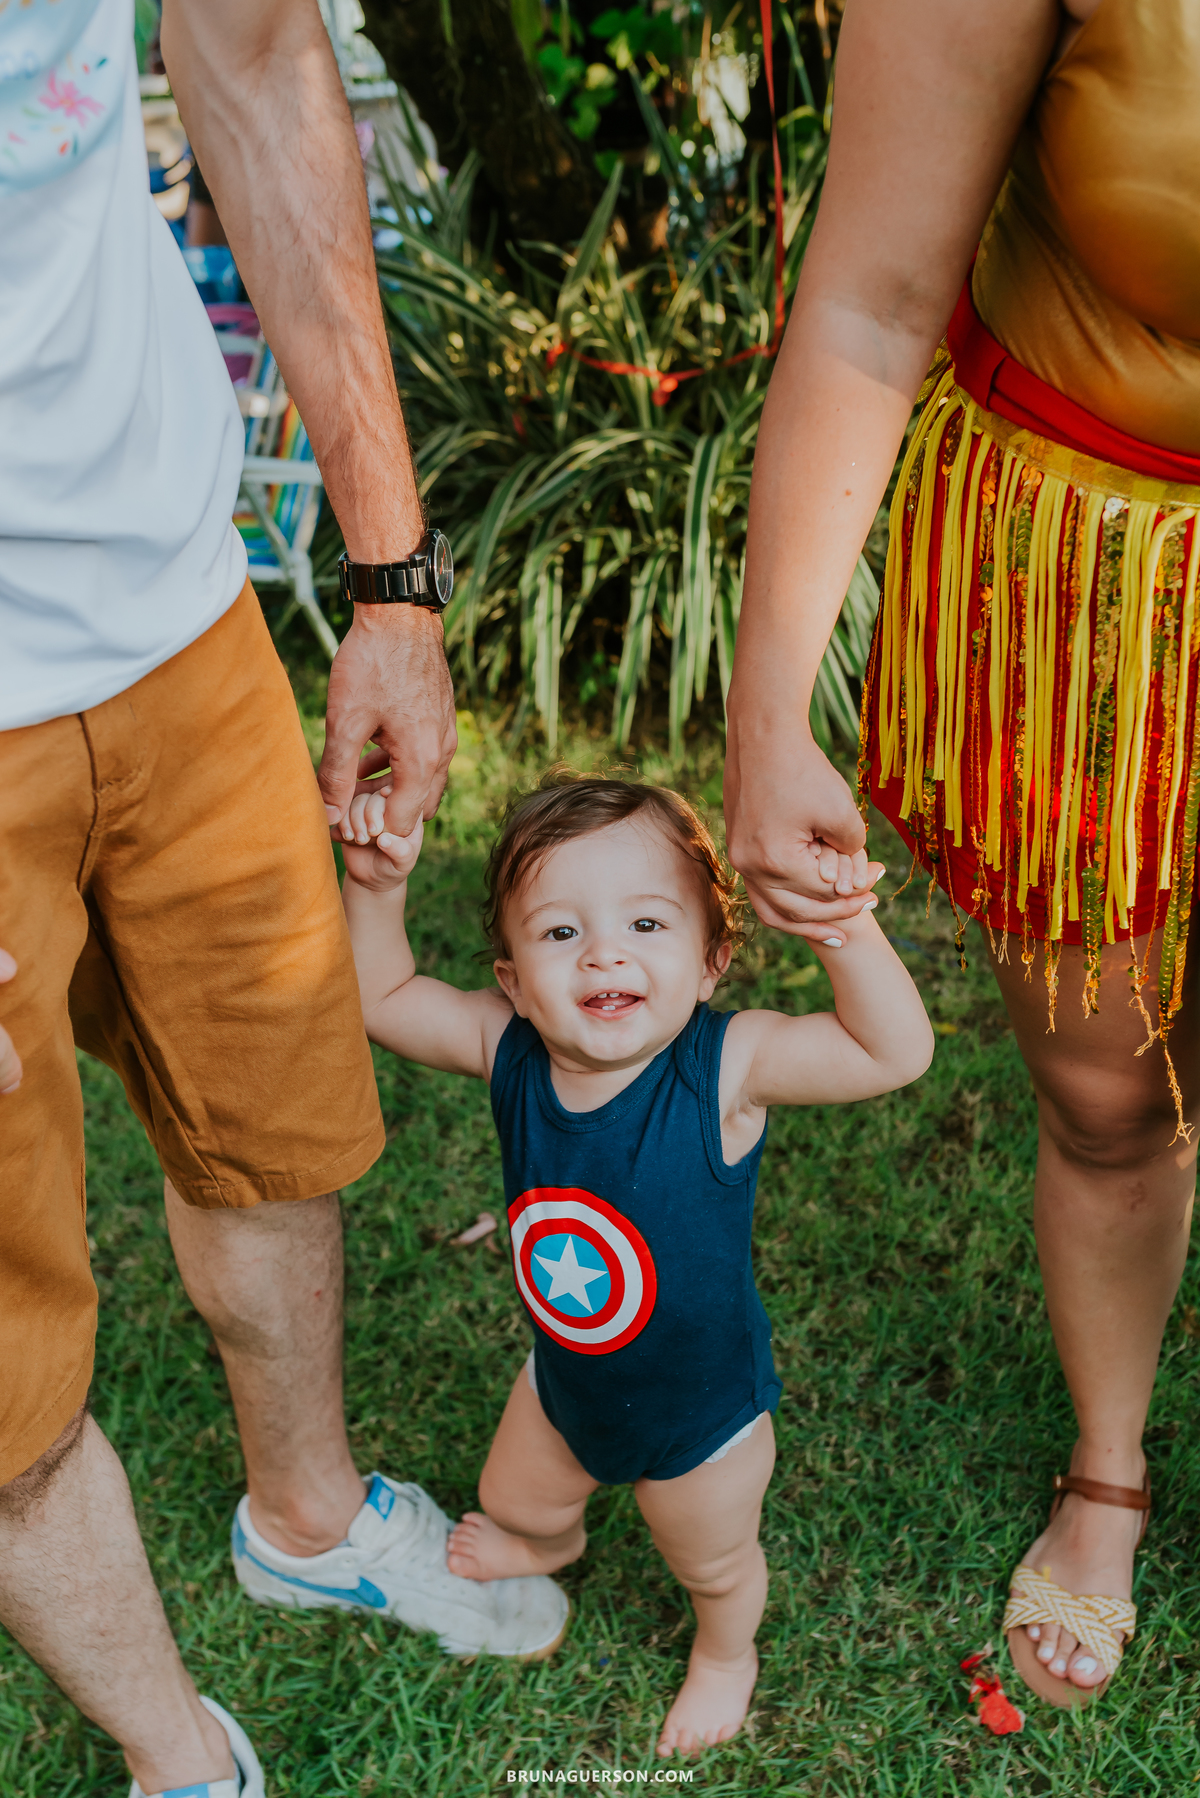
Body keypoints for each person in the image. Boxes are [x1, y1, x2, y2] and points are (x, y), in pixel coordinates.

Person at [0, 0, 566, 1791]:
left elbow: (249, 51)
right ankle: (185, 1756)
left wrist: (390, 574)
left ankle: (306, 1514)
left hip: (177, 600)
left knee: (277, 1101)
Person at [723, 0, 1200, 1710]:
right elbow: (868, 301)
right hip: (1089, 576)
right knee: (1108, 1091)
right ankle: (1110, 1461)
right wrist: (769, 704)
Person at [336, 771, 933, 1753]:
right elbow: (384, 996)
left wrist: (841, 927)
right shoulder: (511, 1049)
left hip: (703, 1419)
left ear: (711, 960)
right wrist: (374, 886)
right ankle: (550, 1540)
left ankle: (725, 1651)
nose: (604, 950)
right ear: (514, 979)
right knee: (515, 1498)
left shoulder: (725, 1069)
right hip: (564, 1383)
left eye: (648, 925)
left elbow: (891, 1052)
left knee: (712, 1558)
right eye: (561, 932)